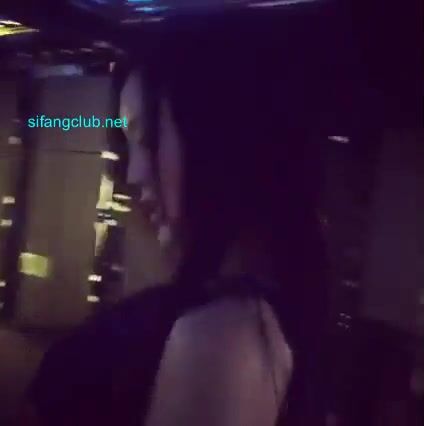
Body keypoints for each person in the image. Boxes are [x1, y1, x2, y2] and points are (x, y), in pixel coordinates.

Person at [22, 13, 330, 426]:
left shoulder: (222, 337)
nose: (134, 175)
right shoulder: (255, 309)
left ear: (214, 140)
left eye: (147, 138)